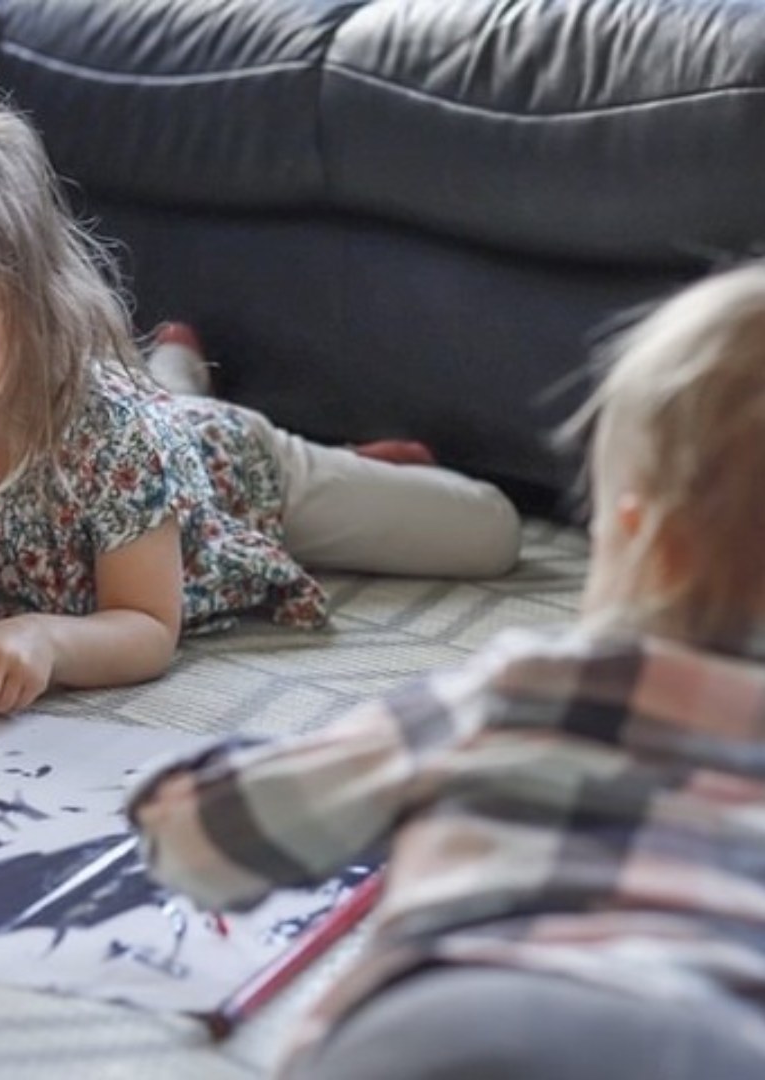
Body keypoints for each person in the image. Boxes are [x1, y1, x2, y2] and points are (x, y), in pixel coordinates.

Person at [0, 57, 520, 725]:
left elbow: (147, 626)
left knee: (488, 535)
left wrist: (46, 638)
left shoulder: (115, 436)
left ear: (22, 300)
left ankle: (311, 442)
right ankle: (173, 361)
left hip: (235, 474)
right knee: (158, 400)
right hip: (149, 425)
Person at [127, 261, 765, 1079]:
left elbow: (204, 840)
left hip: (456, 1024)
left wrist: (180, 795)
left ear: (645, 539)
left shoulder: (528, 690)